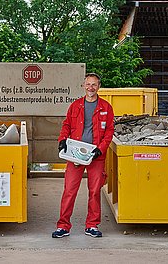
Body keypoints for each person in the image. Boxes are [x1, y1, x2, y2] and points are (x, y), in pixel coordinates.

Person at [52, 73, 114, 238]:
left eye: (94, 85)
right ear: (83, 86)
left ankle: (92, 225)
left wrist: (100, 148)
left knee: (94, 191)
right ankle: (63, 226)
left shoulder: (106, 107)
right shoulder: (76, 105)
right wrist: (63, 140)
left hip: (96, 156)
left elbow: (109, 131)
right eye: (88, 84)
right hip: (76, 154)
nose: (90, 88)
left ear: (99, 86)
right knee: (69, 190)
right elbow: (66, 125)